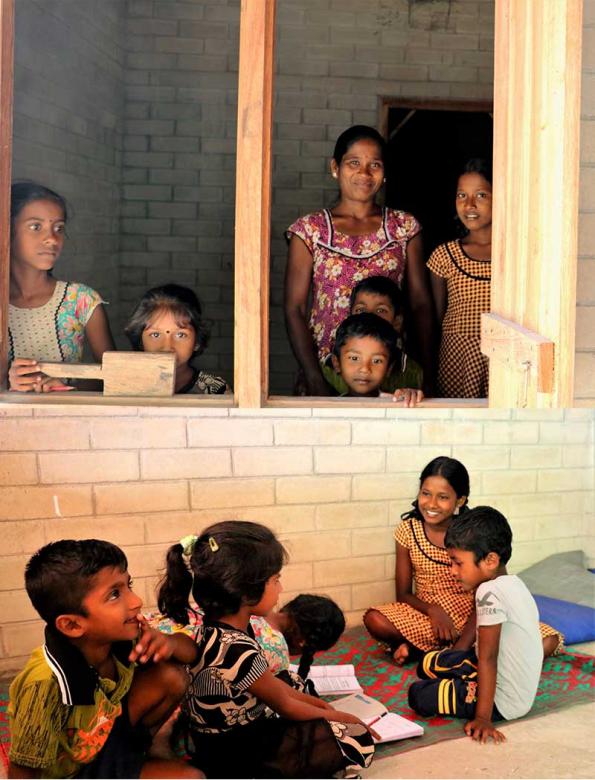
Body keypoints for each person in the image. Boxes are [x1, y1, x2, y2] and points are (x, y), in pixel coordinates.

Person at [157, 521, 375, 778]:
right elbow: (285, 705)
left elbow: (275, 685)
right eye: (276, 580)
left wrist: (326, 709)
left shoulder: (213, 630)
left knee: (305, 699)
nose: (280, 589)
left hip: (218, 745)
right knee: (356, 738)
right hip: (240, 755)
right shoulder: (238, 649)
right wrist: (342, 719)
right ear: (247, 593)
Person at [7, 539, 202, 779]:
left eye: (128, 585)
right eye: (114, 595)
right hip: (70, 773)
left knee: (171, 675)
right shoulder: (43, 685)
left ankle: (138, 752)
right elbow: (22, 772)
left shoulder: (122, 635)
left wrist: (169, 643)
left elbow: (191, 652)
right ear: (72, 624)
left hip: (105, 742)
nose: (136, 601)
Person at [363, 457, 562, 666]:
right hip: (429, 618)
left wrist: (460, 647)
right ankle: (463, 655)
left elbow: (492, 585)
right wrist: (433, 611)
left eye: (442, 497)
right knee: (375, 619)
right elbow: (403, 594)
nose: (431, 504)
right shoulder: (408, 530)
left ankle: (436, 654)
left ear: (460, 501)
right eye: (425, 493)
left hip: (478, 612)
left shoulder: (472, 532)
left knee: (548, 639)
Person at [284, 124, 434, 397]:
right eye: (354, 162)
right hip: (325, 369)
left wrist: (425, 371)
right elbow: (294, 308)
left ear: (384, 172)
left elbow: (421, 304)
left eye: (374, 164)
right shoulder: (310, 230)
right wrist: (313, 375)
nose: (364, 173)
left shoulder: (404, 227)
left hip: (386, 370)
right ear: (335, 167)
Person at [408, 506, 544, 743]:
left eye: (458, 563)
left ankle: (470, 691)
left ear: (490, 560)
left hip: (502, 703)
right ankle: (460, 677)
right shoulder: (515, 583)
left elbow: (488, 658)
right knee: (428, 662)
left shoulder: (488, 592)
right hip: (506, 678)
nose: (452, 571)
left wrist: (483, 718)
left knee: (418, 694)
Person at [8, 182, 115, 393]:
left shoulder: (81, 301)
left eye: (59, 228)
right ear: (7, 229)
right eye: (35, 227)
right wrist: (8, 385)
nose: (51, 238)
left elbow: (115, 377)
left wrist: (67, 386)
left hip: (69, 422)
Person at [153, 572, 346, 681]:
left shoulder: (241, 610)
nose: (280, 588)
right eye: (275, 581)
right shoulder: (275, 649)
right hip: (159, 665)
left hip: (151, 630)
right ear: (303, 642)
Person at [428, 158, 492, 398]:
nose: (470, 205)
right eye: (462, 196)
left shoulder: (514, 255)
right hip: (457, 357)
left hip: (504, 357)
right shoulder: (444, 255)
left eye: (481, 195)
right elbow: (436, 317)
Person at [321, 275, 424, 398]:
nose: (370, 316)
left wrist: (409, 397)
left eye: (380, 310)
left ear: (397, 322)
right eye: (361, 310)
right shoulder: (327, 370)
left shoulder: (412, 372)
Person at [124, 284, 231, 394]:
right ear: (141, 341)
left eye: (180, 335)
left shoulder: (215, 389)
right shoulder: (124, 385)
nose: (167, 347)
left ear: (197, 341)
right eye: (155, 335)